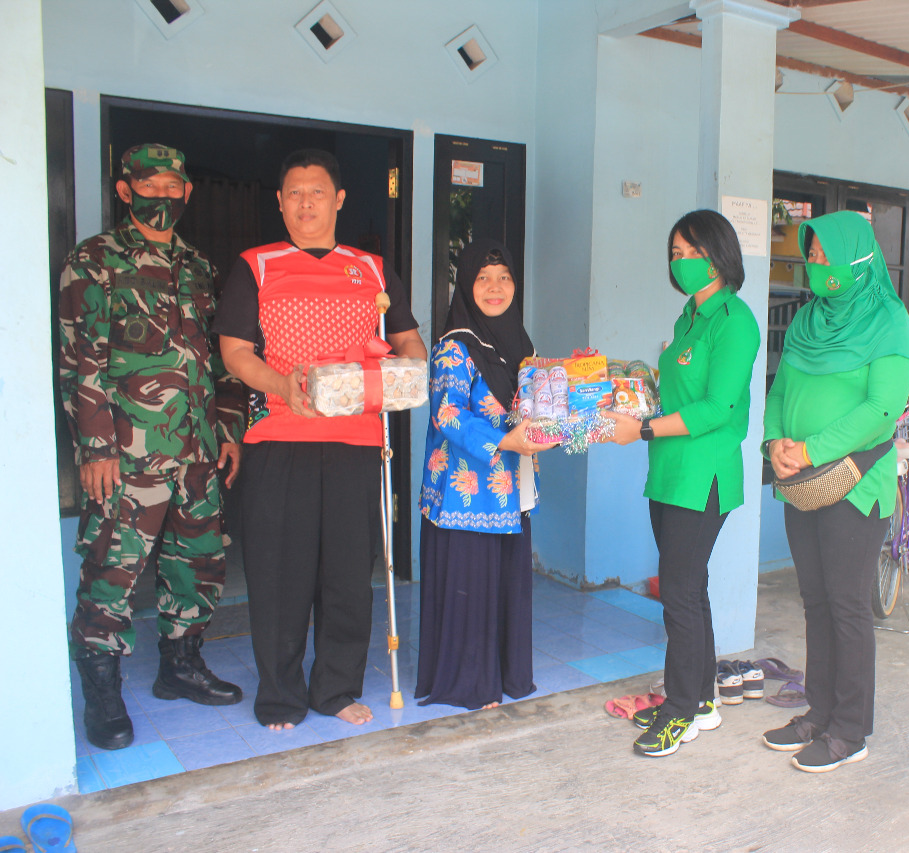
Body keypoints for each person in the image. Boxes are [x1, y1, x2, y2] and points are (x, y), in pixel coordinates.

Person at [216, 149, 427, 730]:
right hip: (280, 438)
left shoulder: (372, 269)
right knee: (279, 573)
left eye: (316, 192)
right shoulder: (257, 266)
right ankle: (281, 696)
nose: (305, 203)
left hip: (356, 441)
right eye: (294, 193)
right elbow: (235, 353)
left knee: (347, 574)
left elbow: (408, 339)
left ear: (338, 199)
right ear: (280, 201)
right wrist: (283, 383)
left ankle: (335, 689)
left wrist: (408, 370)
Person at [58, 143, 246, 751]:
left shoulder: (198, 266)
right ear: (125, 191)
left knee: (198, 564)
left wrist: (228, 428)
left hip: (197, 452)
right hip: (126, 455)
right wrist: (95, 448)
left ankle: (179, 667)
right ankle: (103, 694)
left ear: (187, 192)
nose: (161, 197)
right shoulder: (95, 260)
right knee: (111, 570)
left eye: (172, 186)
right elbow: (80, 360)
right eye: (149, 186)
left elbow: (222, 359)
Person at [758, 211, 909, 773]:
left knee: (847, 606)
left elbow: (881, 410)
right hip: (801, 482)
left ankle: (850, 730)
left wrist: (810, 449)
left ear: (858, 256)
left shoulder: (889, 322)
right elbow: (780, 389)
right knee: (815, 601)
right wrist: (775, 441)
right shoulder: (808, 320)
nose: (816, 263)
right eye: (812, 254)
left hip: (854, 485)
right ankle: (819, 713)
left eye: (827, 253)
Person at [606, 209, 761, 757]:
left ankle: (678, 713)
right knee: (689, 590)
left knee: (676, 593)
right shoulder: (688, 318)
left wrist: (642, 428)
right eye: (676, 253)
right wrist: (632, 393)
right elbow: (674, 392)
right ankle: (701, 700)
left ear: (720, 255)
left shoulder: (735, 321)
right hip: (669, 472)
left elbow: (718, 408)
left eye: (693, 251)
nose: (683, 261)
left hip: (704, 476)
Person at [415, 239, 556, 711]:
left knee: (506, 585)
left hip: (513, 489)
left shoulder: (523, 344)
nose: (496, 288)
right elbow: (447, 413)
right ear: (465, 285)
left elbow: (535, 406)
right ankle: (470, 683)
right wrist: (505, 441)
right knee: (471, 588)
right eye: (483, 278)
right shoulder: (454, 348)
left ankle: (506, 676)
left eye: (504, 278)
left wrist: (562, 424)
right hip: (467, 495)